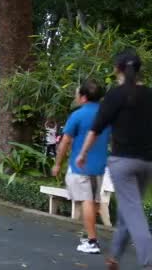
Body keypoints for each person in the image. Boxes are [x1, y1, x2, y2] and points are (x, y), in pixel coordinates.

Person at [76, 51, 152, 269]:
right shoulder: (149, 94)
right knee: (128, 210)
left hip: (123, 162)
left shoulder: (115, 95)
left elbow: (96, 129)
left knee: (133, 211)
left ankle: (149, 261)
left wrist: (83, 153)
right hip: (147, 162)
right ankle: (115, 257)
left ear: (117, 69)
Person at [51, 80, 110, 254]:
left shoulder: (77, 115)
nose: (76, 96)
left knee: (86, 201)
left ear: (83, 97)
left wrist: (57, 164)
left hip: (80, 165)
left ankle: (92, 241)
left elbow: (65, 142)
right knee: (93, 201)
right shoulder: (106, 115)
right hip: (100, 166)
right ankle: (90, 235)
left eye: (77, 93)